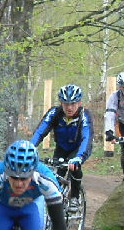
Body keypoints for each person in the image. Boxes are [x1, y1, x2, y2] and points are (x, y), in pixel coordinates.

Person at [30, 84, 94, 212]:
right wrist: (29, 148)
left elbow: (86, 138)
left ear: (79, 102)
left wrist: (79, 157)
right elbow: (40, 131)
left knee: (74, 167)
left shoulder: (84, 115)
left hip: (78, 149)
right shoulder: (54, 113)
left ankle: (74, 197)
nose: (69, 108)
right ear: (61, 103)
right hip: (62, 148)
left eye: (73, 104)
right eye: (65, 104)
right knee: (55, 177)